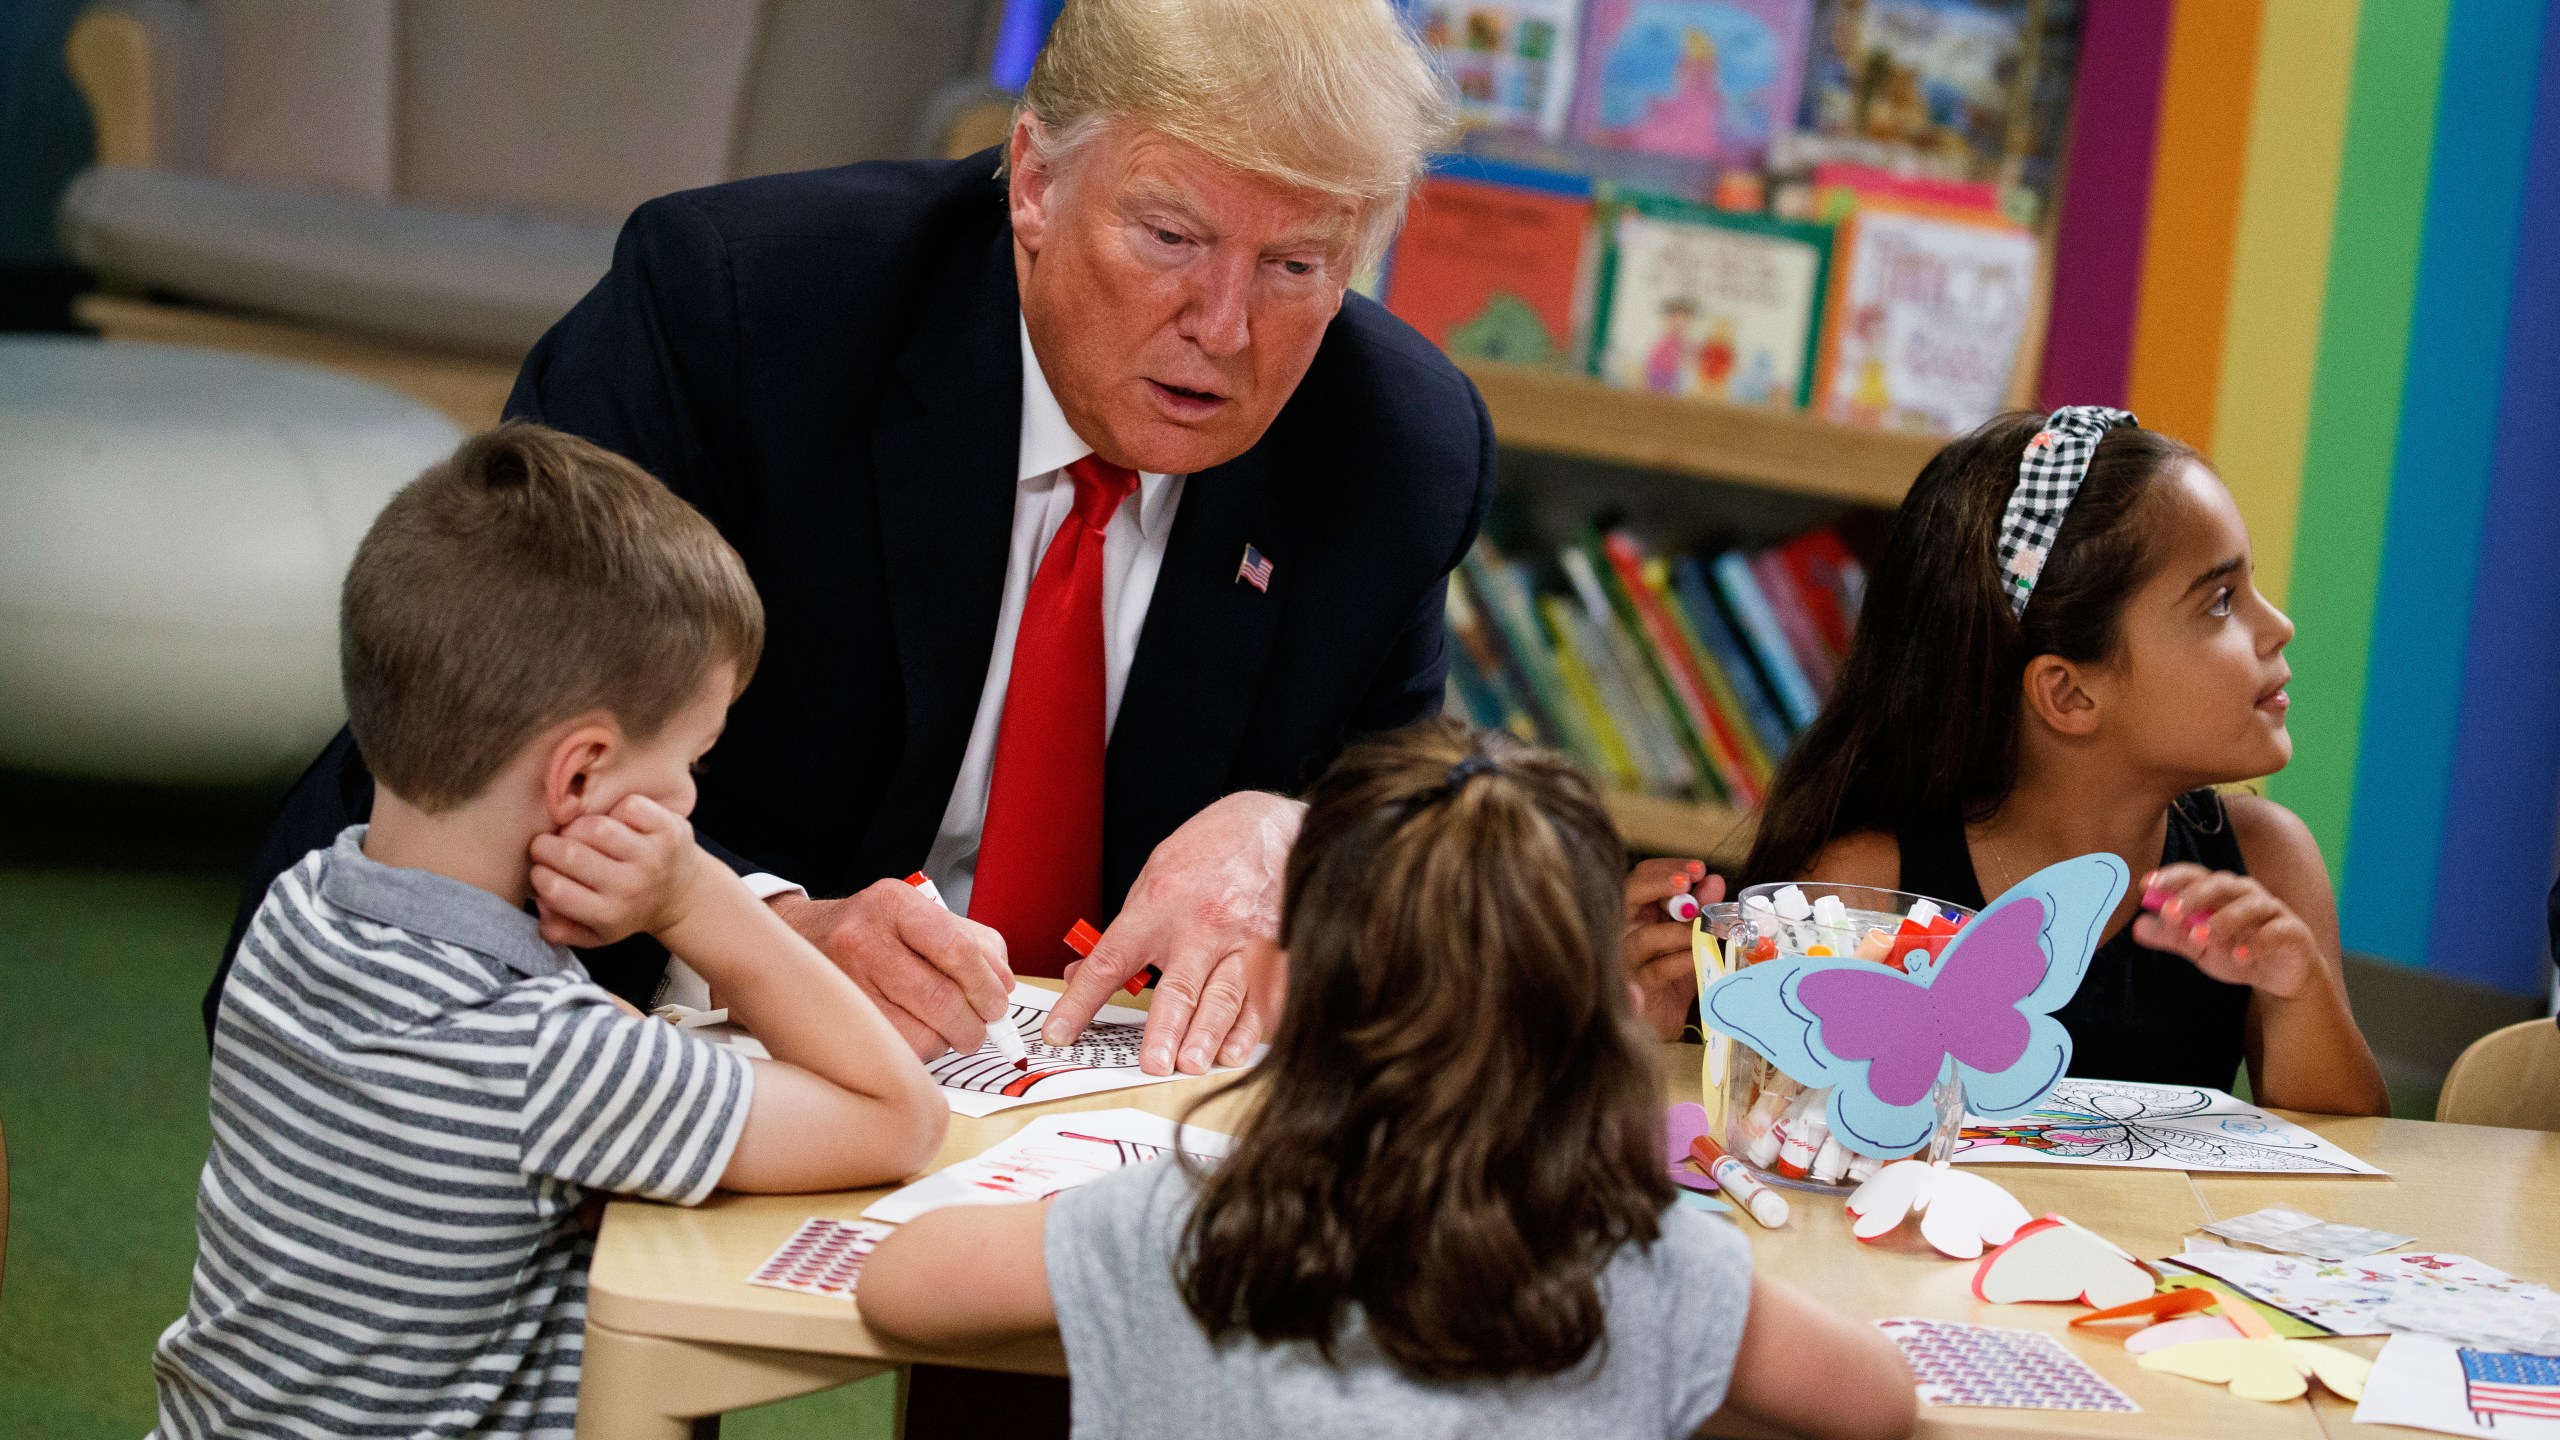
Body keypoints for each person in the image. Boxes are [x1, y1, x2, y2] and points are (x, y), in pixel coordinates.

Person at [212, 0, 1486, 1089]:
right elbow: (496, 727)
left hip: (1044, 1083)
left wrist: (1290, 833)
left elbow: (1410, 815)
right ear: (1035, 182)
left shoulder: (1395, 449)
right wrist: (763, 933)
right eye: (1169, 239)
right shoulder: (743, 306)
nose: (1224, 325)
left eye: (1297, 267)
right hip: (567, 980)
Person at [151, 427, 948, 1440]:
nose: (691, 796)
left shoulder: (300, 907)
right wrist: (696, 898)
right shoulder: (547, 1057)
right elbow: (898, 1115)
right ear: (580, 777)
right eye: (693, 762)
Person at [858, 720, 1917, 1440]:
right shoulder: (1663, 1271)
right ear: (1600, 1018)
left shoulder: (1173, 1228)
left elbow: (898, 1285)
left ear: (1272, 991)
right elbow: (1878, 1402)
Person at [1739, 407, 2388, 1116]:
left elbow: (2347, 1153)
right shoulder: (1864, 891)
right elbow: (1776, 1131)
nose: (2278, 626)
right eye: (2221, 601)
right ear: (2070, 692)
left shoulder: (2267, 864)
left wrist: (2296, 991)